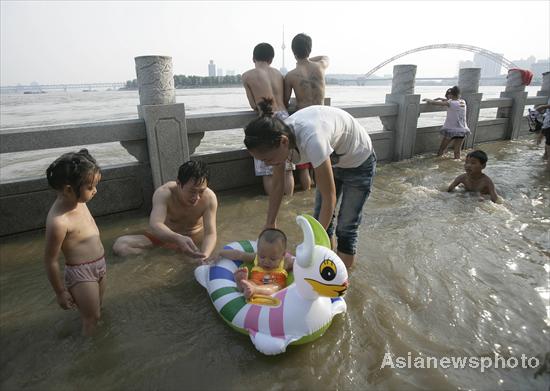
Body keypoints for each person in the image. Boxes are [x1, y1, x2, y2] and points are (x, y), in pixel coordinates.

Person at [243, 99, 376, 269]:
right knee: (322, 222)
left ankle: (343, 282)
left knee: (346, 227)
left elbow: (330, 197)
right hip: (333, 159)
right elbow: (277, 186)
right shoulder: (278, 139)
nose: (268, 164)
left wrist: (312, 244)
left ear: (284, 142)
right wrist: (270, 222)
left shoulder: (313, 139)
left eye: (268, 159)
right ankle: (326, 267)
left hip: (359, 160)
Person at [44, 149, 105, 336]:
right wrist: (60, 292)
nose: (95, 190)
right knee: (91, 318)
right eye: (90, 187)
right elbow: (50, 260)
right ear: (69, 189)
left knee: (97, 311)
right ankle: (91, 354)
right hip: (81, 273)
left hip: (99, 265)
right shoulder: (59, 221)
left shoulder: (80, 202)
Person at [112, 161, 217, 262]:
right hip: (166, 237)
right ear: (179, 183)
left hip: (193, 241)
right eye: (192, 191)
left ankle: (171, 258)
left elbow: (210, 234)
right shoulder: (164, 193)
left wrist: (204, 256)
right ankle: (160, 258)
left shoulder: (209, 198)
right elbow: (155, 224)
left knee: (204, 257)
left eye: (201, 191)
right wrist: (177, 238)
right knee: (121, 246)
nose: (197, 197)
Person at [242, 42, 295, 196]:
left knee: (268, 171)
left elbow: (253, 104)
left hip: (266, 121)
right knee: (288, 168)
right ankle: (288, 203)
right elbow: (285, 100)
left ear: (253, 58)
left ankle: (274, 207)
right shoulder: (278, 74)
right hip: (285, 118)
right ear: (271, 59)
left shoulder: (247, 75)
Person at [284, 33, 330, 191]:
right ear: (310, 49)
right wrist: (308, 57)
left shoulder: (290, 76)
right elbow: (325, 56)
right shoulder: (321, 66)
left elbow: (284, 101)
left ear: (293, 51)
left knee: (303, 166)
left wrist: (299, 61)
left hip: (304, 120)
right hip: (323, 118)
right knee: (322, 160)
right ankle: (318, 195)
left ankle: (305, 195)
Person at [208, 228, 294, 299]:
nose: (266, 261)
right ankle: (242, 285)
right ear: (258, 251)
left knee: (275, 287)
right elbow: (239, 255)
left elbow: (301, 266)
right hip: (255, 282)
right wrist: (221, 253)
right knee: (250, 283)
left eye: (273, 259)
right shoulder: (255, 257)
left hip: (274, 285)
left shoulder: (286, 261)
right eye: (262, 257)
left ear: (282, 255)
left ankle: (254, 290)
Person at [423, 86, 471, 159]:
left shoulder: (450, 103)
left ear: (451, 95)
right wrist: (440, 98)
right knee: (457, 151)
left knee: (442, 149)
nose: (447, 97)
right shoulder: (463, 101)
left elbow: (434, 103)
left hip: (451, 131)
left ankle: (438, 163)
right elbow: (451, 101)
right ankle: (457, 164)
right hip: (462, 131)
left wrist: (427, 99)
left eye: (448, 95)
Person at [535, 99, 550, 170]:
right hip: (547, 125)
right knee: (546, 151)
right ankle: (544, 174)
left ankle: (545, 175)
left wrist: (544, 106)